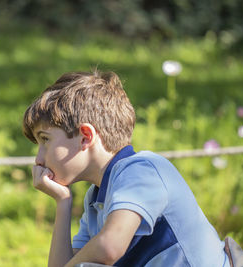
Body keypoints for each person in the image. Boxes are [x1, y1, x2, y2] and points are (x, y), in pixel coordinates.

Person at [22, 70, 230, 267]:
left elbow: (109, 247)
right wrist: (63, 203)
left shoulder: (141, 170)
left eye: (45, 140)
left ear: (86, 136)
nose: (39, 159)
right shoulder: (95, 199)